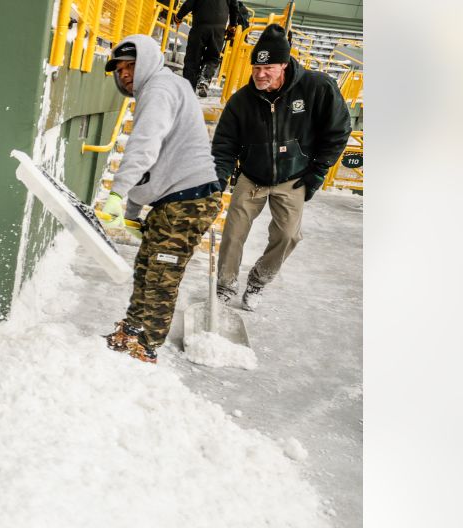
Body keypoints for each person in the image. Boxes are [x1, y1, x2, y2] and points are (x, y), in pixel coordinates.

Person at [211, 24, 352, 310]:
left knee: (288, 235)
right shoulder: (242, 101)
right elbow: (224, 144)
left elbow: (338, 130)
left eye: (269, 68)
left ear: (284, 65)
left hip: (293, 177)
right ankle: (225, 286)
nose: (260, 75)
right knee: (233, 233)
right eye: (256, 68)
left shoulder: (317, 87)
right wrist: (218, 179)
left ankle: (257, 282)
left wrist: (317, 171)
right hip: (252, 176)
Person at [100, 35, 222, 363]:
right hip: (175, 200)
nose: (125, 74)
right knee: (146, 267)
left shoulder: (158, 90)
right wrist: (132, 210)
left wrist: (116, 194)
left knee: (160, 276)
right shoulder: (167, 86)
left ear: (149, 61)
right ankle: (134, 331)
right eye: (120, 69)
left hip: (189, 200)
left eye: (131, 66)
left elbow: (144, 148)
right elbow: (156, 160)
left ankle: (146, 346)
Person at [172, 0, 242, 95]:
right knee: (212, 57)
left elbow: (190, 3)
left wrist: (178, 17)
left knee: (192, 58)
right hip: (218, 29)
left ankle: (188, 90)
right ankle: (205, 79)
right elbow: (234, 7)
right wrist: (232, 25)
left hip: (199, 26)